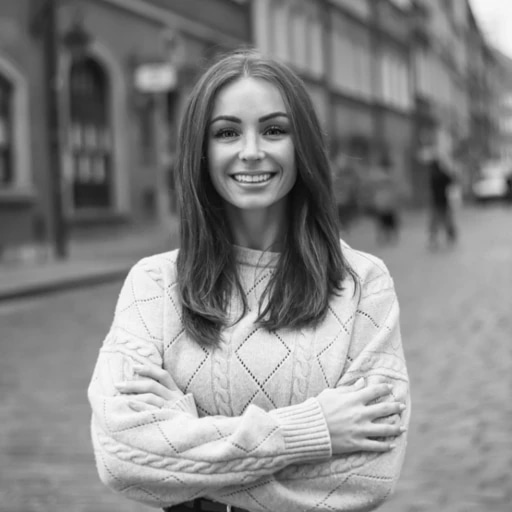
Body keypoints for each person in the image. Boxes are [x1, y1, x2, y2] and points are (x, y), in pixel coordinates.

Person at [88, 49, 410, 512]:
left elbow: (366, 477)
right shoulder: (154, 285)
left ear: (304, 148)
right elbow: (122, 458)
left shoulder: (362, 284)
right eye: (227, 132)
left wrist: (187, 449)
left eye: (275, 130)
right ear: (202, 150)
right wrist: (312, 430)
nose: (252, 150)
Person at [418, 133, 458, 250]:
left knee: (435, 222)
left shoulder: (433, 176)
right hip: (443, 200)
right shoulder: (442, 174)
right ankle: (449, 236)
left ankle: (433, 239)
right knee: (446, 221)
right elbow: (451, 180)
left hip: (436, 201)